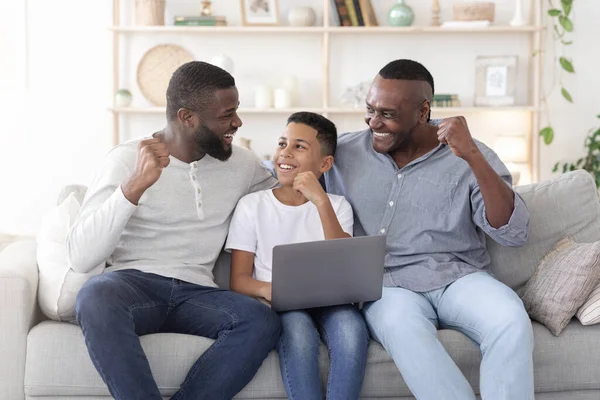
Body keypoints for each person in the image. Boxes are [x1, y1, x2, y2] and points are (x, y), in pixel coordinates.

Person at [66, 61, 281, 400]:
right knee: (95, 295)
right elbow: (81, 256)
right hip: (133, 285)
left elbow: (284, 204)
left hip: (199, 292)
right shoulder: (125, 159)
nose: (237, 123)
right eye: (227, 115)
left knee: (261, 321)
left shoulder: (244, 164)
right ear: (187, 117)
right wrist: (134, 186)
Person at [325, 59, 534, 399]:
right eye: (369, 109)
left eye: (387, 114)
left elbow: (513, 233)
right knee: (402, 328)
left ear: (423, 112)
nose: (373, 122)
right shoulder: (342, 152)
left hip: (460, 277)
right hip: (386, 285)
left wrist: (472, 156)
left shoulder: (469, 153)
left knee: (511, 319)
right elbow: (283, 182)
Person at [226, 112, 369, 400]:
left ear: (325, 164)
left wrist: (320, 201)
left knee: (352, 332)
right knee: (299, 336)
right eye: (282, 144)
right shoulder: (252, 206)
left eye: (299, 146)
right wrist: (274, 291)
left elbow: (344, 261)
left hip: (332, 301)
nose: (285, 153)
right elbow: (239, 280)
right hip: (281, 303)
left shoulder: (338, 206)